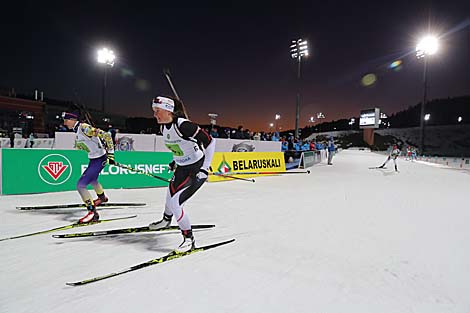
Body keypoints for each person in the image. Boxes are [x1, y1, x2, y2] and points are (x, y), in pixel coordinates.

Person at [149, 96, 215, 252]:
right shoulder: (163, 127)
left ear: (168, 110)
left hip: (196, 168)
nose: (154, 114)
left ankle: (188, 239)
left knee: (176, 203)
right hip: (181, 167)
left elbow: (210, 142)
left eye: (157, 111)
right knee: (169, 194)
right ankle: (165, 221)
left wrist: (205, 168)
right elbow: (177, 146)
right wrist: (175, 161)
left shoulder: (183, 125)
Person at [62, 111, 116, 223]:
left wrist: (111, 154)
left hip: (99, 159)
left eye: (66, 120)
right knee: (93, 180)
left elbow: (106, 135)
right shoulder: (77, 130)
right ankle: (102, 198)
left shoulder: (84, 128)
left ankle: (93, 213)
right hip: (94, 159)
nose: (65, 123)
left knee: (80, 185)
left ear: (73, 120)